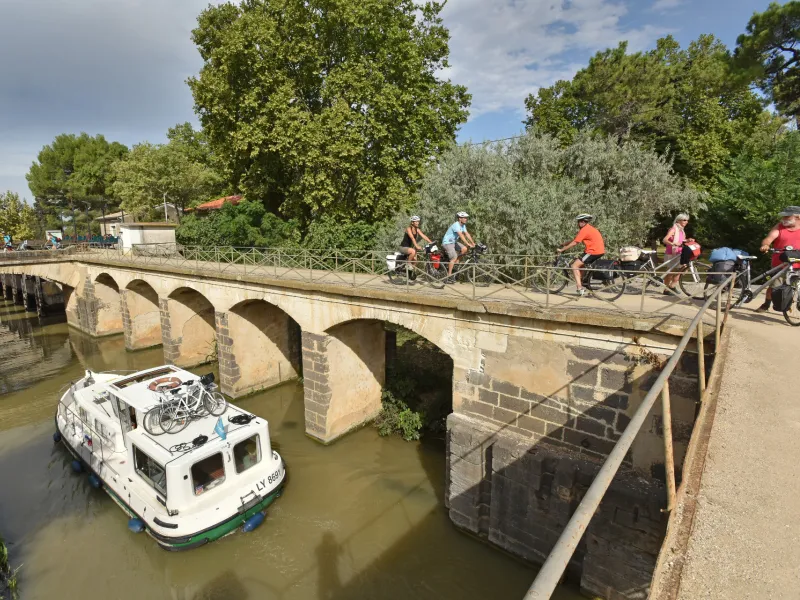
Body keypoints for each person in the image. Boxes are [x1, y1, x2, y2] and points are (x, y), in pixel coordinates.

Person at [757, 206, 800, 312]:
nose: (784, 219)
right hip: (780, 262)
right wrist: (766, 245)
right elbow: (769, 238)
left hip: (798, 262)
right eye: (783, 216)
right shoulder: (779, 227)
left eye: (787, 217)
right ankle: (766, 304)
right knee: (775, 286)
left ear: (798, 217)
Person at [557, 214, 605, 297]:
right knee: (580, 264)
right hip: (597, 251)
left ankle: (579, 288)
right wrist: (565, 244)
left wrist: (562, 249)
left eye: (579, 222)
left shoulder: (584, 230)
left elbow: (575, 242)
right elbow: (577, 239)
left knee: (574, 265)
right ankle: (582, 281)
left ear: (582, 222)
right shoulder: (589, 228)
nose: (578, 223)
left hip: (593, 251)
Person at [442, 211, 476, 280]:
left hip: (454, 242)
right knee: (454, 257)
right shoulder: (456, 225)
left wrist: (473, 243)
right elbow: (461, 235)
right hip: (447, 243)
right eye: (464, 218)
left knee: (464, 249)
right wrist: (467, 243)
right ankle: (449, 276)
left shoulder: (463, 225)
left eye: (466, 218)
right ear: (460, 219)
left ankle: (455, 265)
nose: (466, 219)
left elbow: (467, 234)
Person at [662, 213, 690, 294]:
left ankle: (672, 286)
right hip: (671, 253)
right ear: (678, 220)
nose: (686, 222)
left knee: (681, 270)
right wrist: (673, 244)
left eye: (687, 220)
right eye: (684, 220)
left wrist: (688, 240)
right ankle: (666, 289)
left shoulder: (681, 230)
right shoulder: (673, 229)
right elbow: (665, 240)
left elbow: (682, 241)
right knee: (670, 272)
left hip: (679, 253)